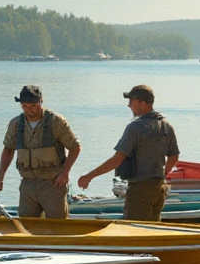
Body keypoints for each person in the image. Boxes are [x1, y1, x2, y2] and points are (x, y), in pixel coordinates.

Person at [75, 85, 179, 221]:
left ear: (143, 104)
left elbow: (116, 160)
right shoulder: (166, 125)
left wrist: (89, 176)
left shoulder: (135, 128)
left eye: (132, 101)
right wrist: (163, 174)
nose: (129, 105)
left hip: (140, 189)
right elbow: (173, 156)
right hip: (158, 187)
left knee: (134, 228)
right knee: (153, 228)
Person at [0, 85, 82, 219]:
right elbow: (8, 149)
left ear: (41, 102)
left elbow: (75, 147)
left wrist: (65, 173)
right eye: (25, 106)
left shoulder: (55, 121)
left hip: (53, 185)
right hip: (27, 185)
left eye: (33, 106)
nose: (29, 110)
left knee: (57, 227)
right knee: (27, 225)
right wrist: (0, 176)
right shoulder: (16, 123)